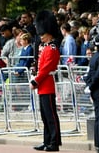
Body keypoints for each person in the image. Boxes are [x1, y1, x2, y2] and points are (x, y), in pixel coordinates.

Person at [31, 10, 61, 152]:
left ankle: (54, 142)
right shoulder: (45, 48)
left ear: (49, 33)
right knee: (45, 116)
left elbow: (46, 69)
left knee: (51, 116)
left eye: (43, 33)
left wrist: (35, 81)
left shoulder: (52, 48)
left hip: (47, 84)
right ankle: (47, 140)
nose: (41, 36)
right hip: (43, 85)